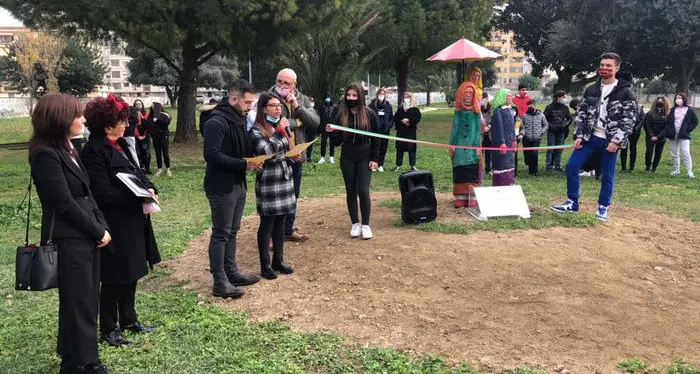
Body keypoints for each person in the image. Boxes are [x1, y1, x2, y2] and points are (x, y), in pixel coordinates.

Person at [29, 93, 111, 374]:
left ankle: (72, 356)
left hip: (85, 235)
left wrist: (102, 226)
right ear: (60, 119)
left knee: (86, 298)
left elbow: (86, 193)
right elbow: (63, 203)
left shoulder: (69, 149)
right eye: (77, 115)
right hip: (69, 238)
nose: (83, 119)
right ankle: (84, 363)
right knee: (80, 302)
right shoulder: (44, 154)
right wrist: (96, 229)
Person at [81, 94, 161, 348]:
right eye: (122, 120)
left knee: (133, 270)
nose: (126, 125)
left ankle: (129, 319)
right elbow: (101, 192)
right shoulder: (94, 151)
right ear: (106, 125)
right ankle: (108, 327)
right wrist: (135, 195)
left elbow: (137, 173)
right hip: (114, 221)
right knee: (115, 276)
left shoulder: (122, 145)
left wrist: (149, 187)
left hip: (134, 219)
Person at [552, 52, 637, 222]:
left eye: (609, 66)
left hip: (610, 140)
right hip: (590, 138)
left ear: (617, 68)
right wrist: (579, 135)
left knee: (607, 175)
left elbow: (629, 120)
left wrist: (616, 140)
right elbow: (582, 114)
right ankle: (572, 202)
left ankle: (603, 207)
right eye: (602, 65)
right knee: (571, 166)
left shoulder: (626, 92)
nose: (604, 68)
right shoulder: (591, 89)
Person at [202, 79, 262, 298]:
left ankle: (232, 272)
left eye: (252, 103)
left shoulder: (238, 119)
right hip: (221, 187)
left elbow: (240, 149)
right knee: (221, 233)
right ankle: (220, 281)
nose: (250, 107)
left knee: (232, 231)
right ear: (234, 98)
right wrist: (244, 164)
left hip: (237, 183)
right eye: (247, 102)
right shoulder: (216, 121)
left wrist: (253, 160)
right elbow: (212, 155)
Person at [268, 68, 320, 242]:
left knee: (293, 194)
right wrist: (297, 122)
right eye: (279, 81)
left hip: (296, 155)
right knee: (274, 196)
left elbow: (314, 123)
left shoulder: (303, 98)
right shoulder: (267, 98)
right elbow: (270, 122)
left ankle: (287, 230)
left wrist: (298, 107)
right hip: (276, 156)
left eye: (286, 83)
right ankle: (270, 234)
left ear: (294, 85)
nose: (281, 85)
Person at [249, 93, 296, 279]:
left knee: (281, 221)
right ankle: (265, 264)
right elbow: (267, 151)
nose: (278, 108)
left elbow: (288, 148)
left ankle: (278, 259)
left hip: (284, 177)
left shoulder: (280, 127)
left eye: (280, 105)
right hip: (268, 180)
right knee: (267, 222)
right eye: (273, 105)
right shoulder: (256, 130)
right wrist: (279, 133)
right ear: (263, 108)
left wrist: (293, 150)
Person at [326, 83, 380, 239]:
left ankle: (366, 225)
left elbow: (377, 138)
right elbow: (336, 142)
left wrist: (374, 159)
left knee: (363, 189)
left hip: (365, 154)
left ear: (360, 97)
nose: (351, 98)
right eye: (348, 95)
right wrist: (332, 132)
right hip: (347, 155)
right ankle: (355, 223)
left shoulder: (369, 114)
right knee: (351, 190)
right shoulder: (340, 114)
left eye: (354, 95)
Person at [449, 81, 482, 208]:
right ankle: (460, 196)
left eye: (471, 92)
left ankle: (471, 196)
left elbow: (478, 130)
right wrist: (452, 144)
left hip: (472, 146)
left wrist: (478, 146)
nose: (468, 94)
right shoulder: (458, 112)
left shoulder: (476, 113)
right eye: (466, 92)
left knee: (472, 169)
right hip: (459, 147)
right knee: (459, 170)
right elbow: (454, 129)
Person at [664, 92, 698, 178]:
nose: (678, 100)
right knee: (674, 153)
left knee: (685, 152)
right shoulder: (672, 110)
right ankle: (676, 169)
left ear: (684, 99)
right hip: (673, 134)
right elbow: (668, 122)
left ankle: (689, 171)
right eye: (676, 98)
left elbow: (695, 122)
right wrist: (669, 130)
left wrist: (687, 130)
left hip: (684, 135)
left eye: (680, 98)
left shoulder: (689, 110)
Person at [490, 89, 518, 186]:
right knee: (501, 163)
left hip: (510, 142)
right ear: (502, 97)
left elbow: (513, 126)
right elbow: (498, 127)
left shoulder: (510, 110)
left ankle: (509, 182)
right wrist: (502, 142)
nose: (510, 98)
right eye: (508, 96)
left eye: (511, 96)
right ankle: (501, 184)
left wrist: (514, 139)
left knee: (510, 163)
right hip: (501, 143)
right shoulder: (498, 111)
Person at [544, 90, 573, 171]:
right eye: (563, 97)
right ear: (558, 98)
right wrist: (550, 125)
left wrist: (565, 125)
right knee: (550, 149)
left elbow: (570, 118)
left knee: (559, 149)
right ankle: (548, 166)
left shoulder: (565, 108)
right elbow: (544, 118)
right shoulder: (549, 107)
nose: (565, 99)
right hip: (551, 131)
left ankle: (557, 166)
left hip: (561, 131)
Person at [519, 99, 549, 176]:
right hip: (527, 138)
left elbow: (546, 125)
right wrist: (523, 134)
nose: (530, 108)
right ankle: (530, 170)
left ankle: (535, 170)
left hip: (536, 138)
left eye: (531, 106)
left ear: (535, 106)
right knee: (528, 154)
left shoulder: (541, 115)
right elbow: (523, 126)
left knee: (534, 153)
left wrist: (541, 132)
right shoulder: (525, 116)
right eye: (528, 106)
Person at [393, 92, 421, 171]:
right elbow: (395, 118)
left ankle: (412, 165)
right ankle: (398, 165)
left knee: (412, 148)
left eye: (408, 97)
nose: (406, 98)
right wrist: (402, 121)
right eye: (405, 97)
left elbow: (418, 118)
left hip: (410, 132)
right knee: (399, 148)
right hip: (401, 131)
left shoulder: (415, 108)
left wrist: (409, 120)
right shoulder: (400, 108)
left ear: (411, 98)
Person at [368, 88, 394, 172]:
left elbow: (391, 118)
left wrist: (389, 126)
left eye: (383, 94)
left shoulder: (388, 105)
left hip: (385, 131)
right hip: (375, 131)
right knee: (374, 148)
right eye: (380, 93)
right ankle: (373, 164)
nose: (381, 95)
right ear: (377, 94)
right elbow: (368, 117)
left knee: (383, 148)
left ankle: (380, 164)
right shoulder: (371, 105)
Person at [643, 96, 670, 173]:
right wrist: (651, 135)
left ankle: (654, 168)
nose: (660, 103)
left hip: (661, 137)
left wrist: (658, 137)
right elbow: (647, 125)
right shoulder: (650, 113)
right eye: (658, 101)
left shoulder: (668, 114)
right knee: (649, 152)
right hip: (650, 137)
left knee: (658, 153)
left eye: (662, 102)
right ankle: (647, 167)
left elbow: (667, 127)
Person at [148, 102, 172, 177]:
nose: (152, 108)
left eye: (154, 106)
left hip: (164, 135)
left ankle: (168, 169)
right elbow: (149, 124)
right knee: (157, 153)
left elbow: (166, 122)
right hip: (155, 136)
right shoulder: (151, 115)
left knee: (165, 152)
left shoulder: (164, 114)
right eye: (152, 107)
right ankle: (159, 169)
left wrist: (157, 120)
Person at [620, 104, 645, 172]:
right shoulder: (623, 106)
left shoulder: (639, 108)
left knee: (633, 148)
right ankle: (623, 167)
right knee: (623, 148)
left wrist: (636, 129)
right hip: (624, 130)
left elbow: (642, 119)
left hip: (635, 131)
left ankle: (631, 167)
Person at [131, 101, 151, 174]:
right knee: (138, 152)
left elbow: (148, 125)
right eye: (136, 104)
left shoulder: (146, 114)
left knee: (146, 152)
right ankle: (140, 168)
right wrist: (137, 136)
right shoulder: (133, 114)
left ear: (142, 105)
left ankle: (147, 168)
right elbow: (134, 126)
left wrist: (144, 135)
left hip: (145, 136)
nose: (138, 105)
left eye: (139, 104)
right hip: (136, 136)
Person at [317, 93, 337, 165]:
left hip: (332, 127)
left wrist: (336, 127)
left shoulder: (335, 107)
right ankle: (322, 157)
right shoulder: (322, 107)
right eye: (326, 97)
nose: (328, 99)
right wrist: (320, 130)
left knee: (332, 142)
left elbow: (336, 118)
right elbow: (320, 118)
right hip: (324, 127)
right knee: (323, 142)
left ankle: (331, 157)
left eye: (329, 97)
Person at [122, 100, 141, 168]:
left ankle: (137, 168)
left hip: (129, 134)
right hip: (122, 135)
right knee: (123, 153)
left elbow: (135, 120)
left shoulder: (132, 109)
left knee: (132, 152)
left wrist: (127, 122)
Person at [481, 92, 493, 175]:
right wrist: (482, 128)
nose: (484, 101)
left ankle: (488, 169)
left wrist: (489, 126)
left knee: (489, 153)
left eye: (485, 99)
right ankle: (479, 170)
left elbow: (493, 120)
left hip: (489, 134)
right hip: (480, 134)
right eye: (482, 99)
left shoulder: (491, 109)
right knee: (479, 153)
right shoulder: (477, 109)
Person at [305, 96, 318, 161]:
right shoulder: (305, 110)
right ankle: (304, 157)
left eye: (312, 101)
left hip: (313, 131)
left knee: (310, 144)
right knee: (304, 144)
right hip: (306, 131)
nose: (311, 102)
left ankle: (309, 157)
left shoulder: (315, 111)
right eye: (310, 101)